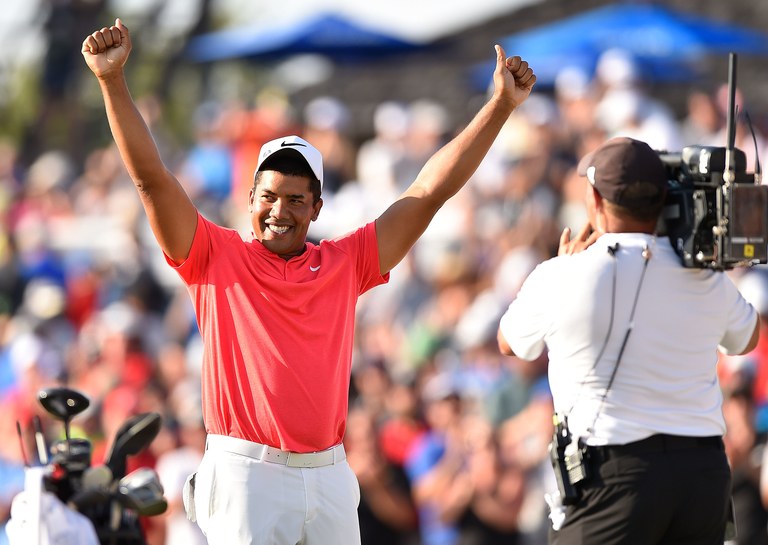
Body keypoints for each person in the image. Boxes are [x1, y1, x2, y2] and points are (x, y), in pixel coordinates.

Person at [81, 18, 536, 545]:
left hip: (329, 474)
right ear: (250, 198)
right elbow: (150, 179)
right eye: (268, 196)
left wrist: (500, 105)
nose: (279, 210)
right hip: (246, 473)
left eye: (296, 199)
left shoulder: (345, 262)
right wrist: (112, 82)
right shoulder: (213, 255)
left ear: (317, 207)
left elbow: (429, 191)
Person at [496, 136, 761, 545]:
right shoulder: (705, 279)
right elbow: (747, 338)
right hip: (703, 478)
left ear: (595, 202)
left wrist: (561, 266)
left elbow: (509, 342)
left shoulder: (561, 276)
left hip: (615, 477)